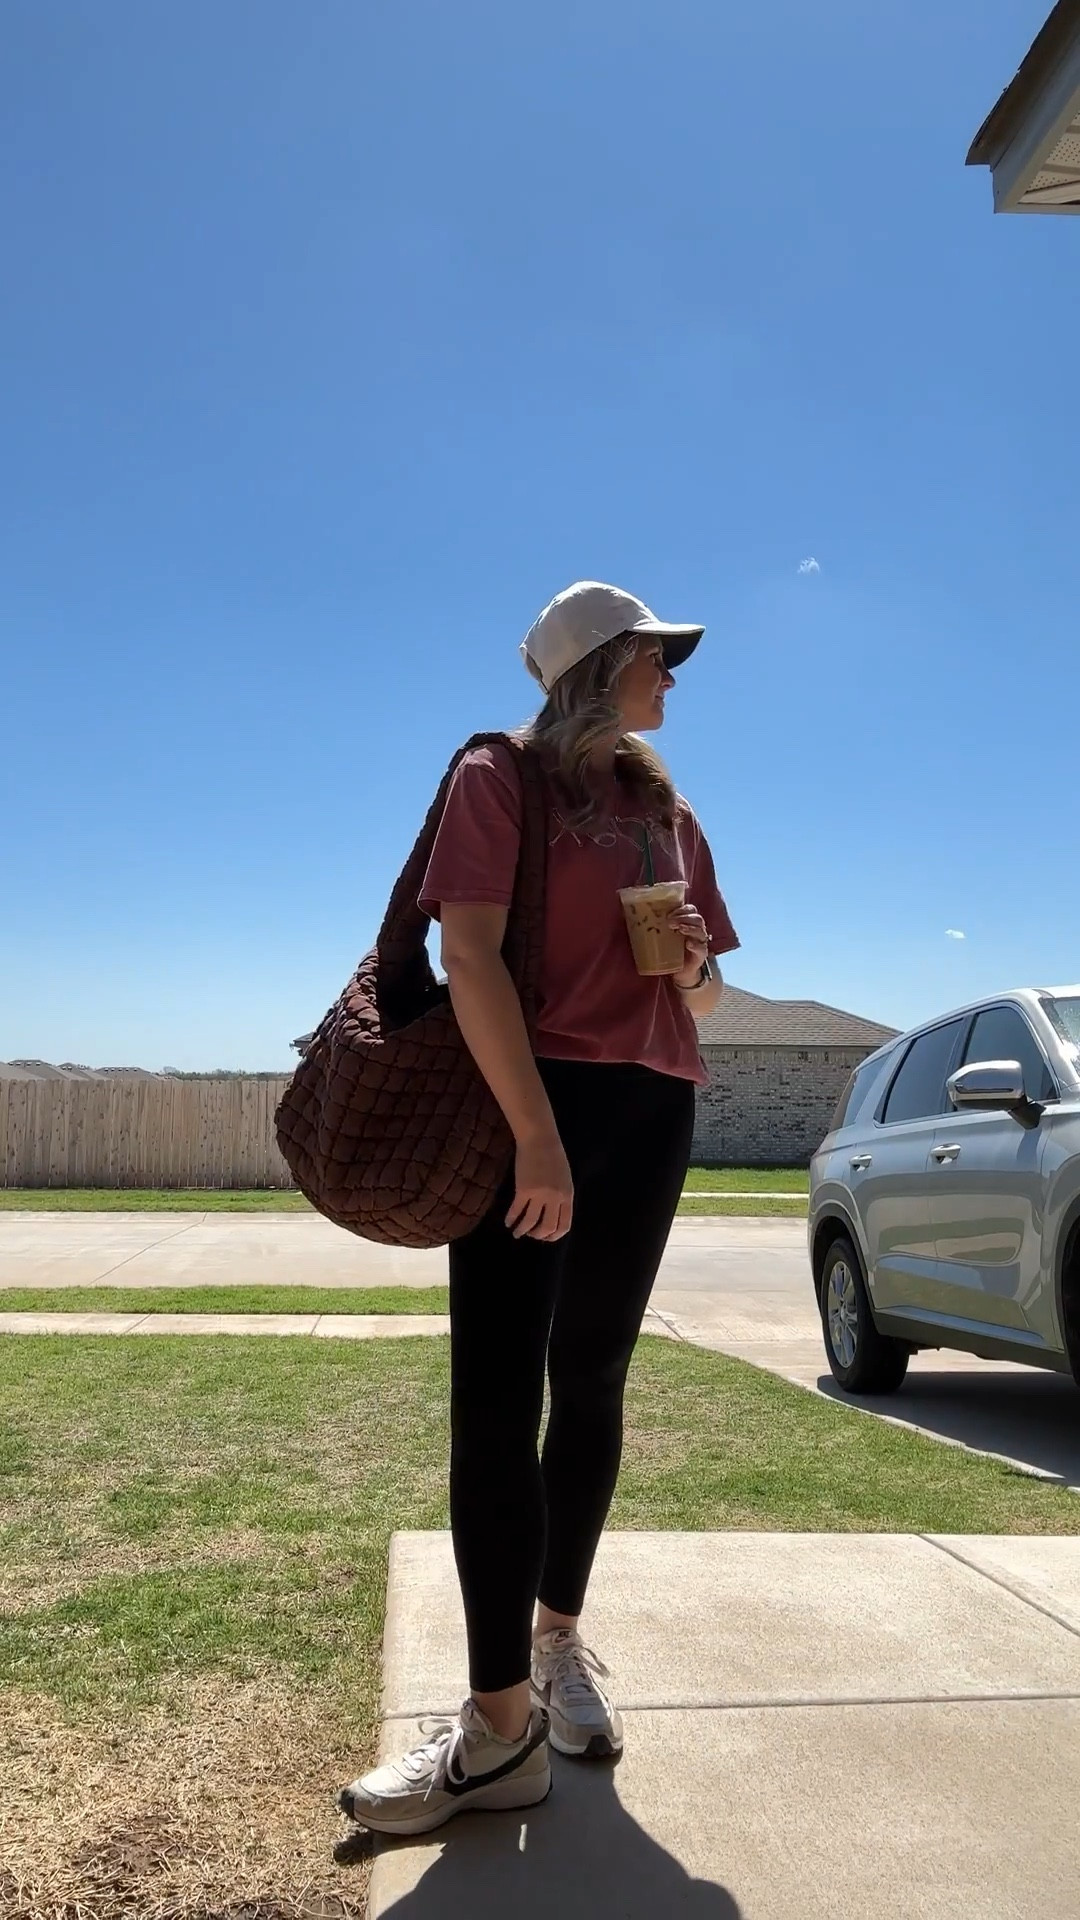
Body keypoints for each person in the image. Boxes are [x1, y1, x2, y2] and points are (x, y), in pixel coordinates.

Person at [340, 580, 739, 1837]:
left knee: (600, 1378)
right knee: (500, 1401)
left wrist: (694, 966)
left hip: (655, 1106)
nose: (673, 681)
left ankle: (559, 1641)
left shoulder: (668, 808)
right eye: (658, 659)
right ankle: (497, 1726)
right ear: (599, 665)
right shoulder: (498, 777)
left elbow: (710, 995)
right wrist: (534, 1140)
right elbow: (467, 957)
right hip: (537, 1102)